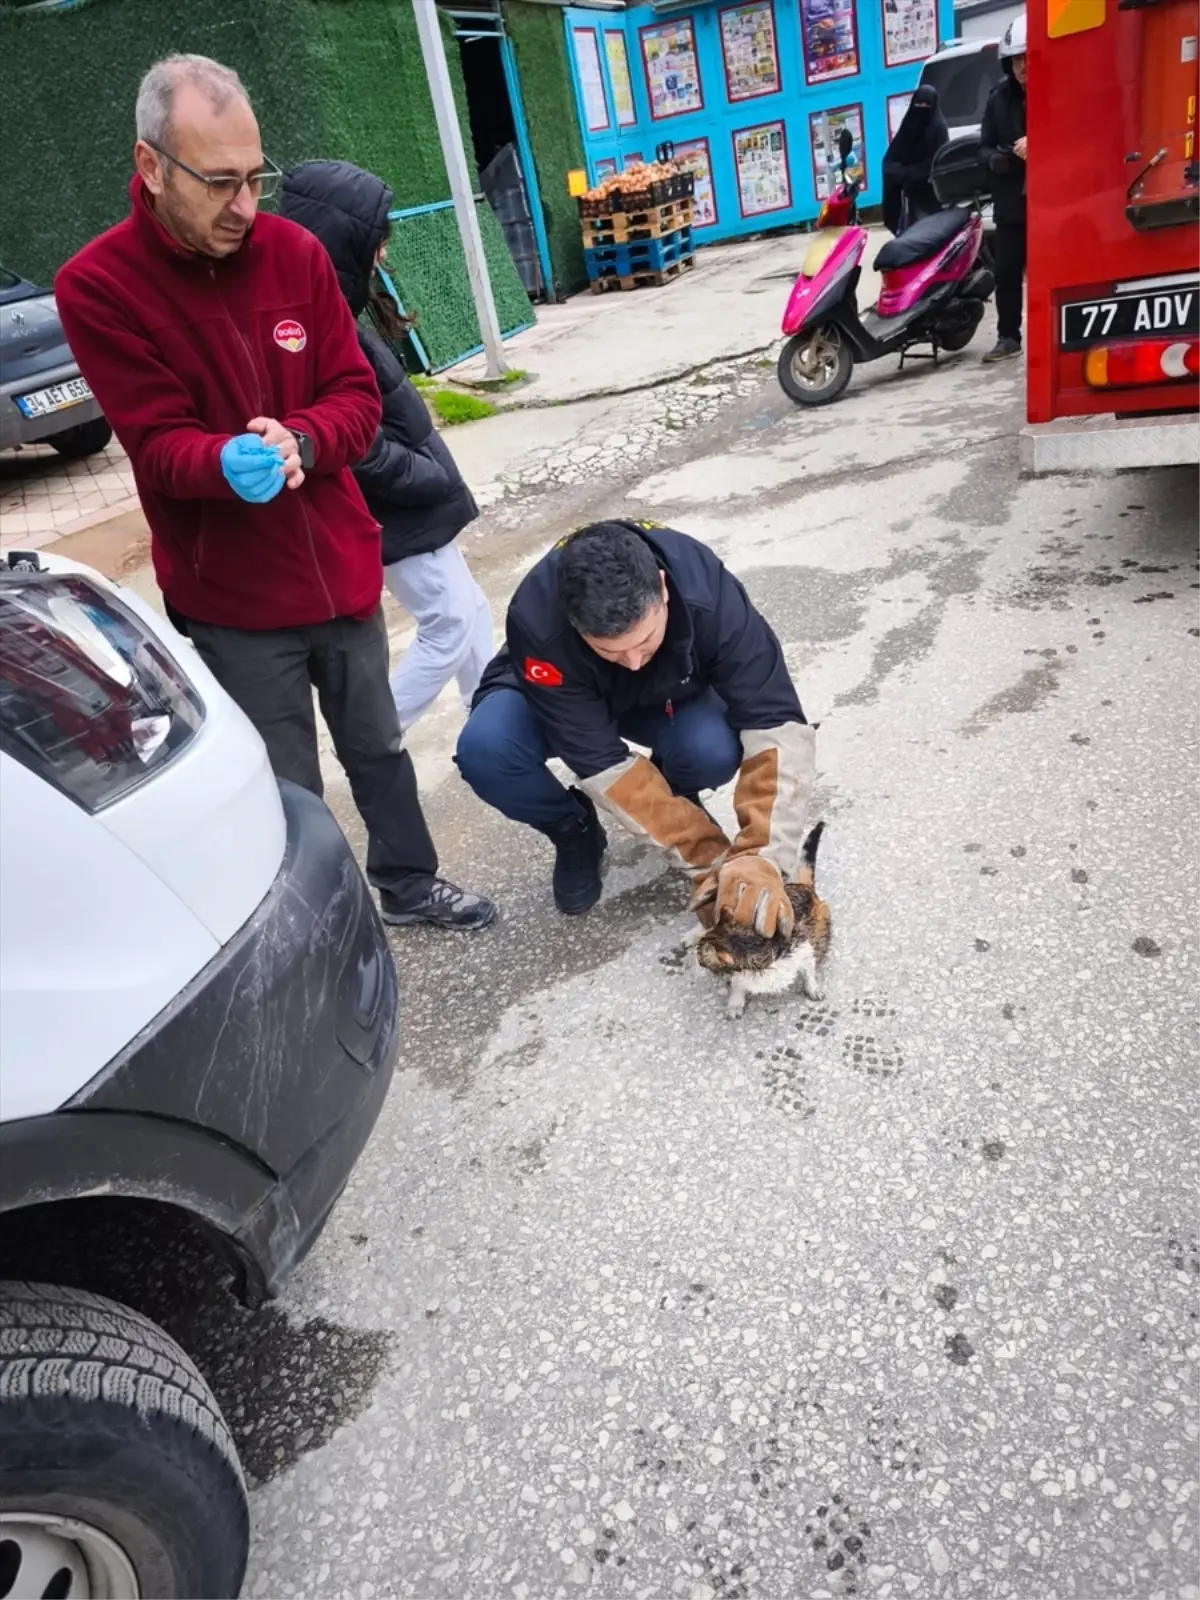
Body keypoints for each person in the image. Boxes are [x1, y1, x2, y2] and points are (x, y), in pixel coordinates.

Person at [54, 53, 495, 931]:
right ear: (151, 166)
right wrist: (225, 463)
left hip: (338, 562)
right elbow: (155, 443)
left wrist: (303, 440)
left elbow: (357, 398)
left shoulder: (294, 255)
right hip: (234, 595)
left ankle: (407, 885)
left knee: (377, 747)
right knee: (283, 779)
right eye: (219, 183)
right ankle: (321, 925)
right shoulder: (98, 286)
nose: (244, 205)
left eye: (256, 178)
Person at [456, 520, 815, 931]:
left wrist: (761, 858)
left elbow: (773, 716)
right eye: (612, 649)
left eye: (644, 641)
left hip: (668, 689)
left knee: (711, 748)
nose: (632, 662)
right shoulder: (536, 619)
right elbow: (597, 758)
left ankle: (675, 792)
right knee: (487, 750)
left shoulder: (706, 589)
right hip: (564, 690)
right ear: (574, 623)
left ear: (663, 590)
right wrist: (708, 860)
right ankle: (574, 830)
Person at [278, 161, 494, 732]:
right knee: (448, 619)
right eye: (374, 243)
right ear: (343, 245)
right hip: (400, 508)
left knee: (470, 609)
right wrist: (426, 476)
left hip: (415, 500)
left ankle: (499, 722)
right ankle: (377, 730)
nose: (381, 254)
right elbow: (357, 445)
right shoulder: (314, 330)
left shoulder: (336, 313)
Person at [980, 11, 1028, 362]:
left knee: (1053, 269)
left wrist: (1039, 141)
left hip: (1054, 201)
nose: (1023, 66)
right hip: (1012, 200)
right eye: (1017, 60)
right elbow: (983, 145)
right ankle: (1008, 336)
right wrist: (993, 159)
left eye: (1029, 58)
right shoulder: (998, 99)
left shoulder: (1058, 89)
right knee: (1007, 272)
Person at [881, 85, 949, 236]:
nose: (922, 108)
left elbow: (932, 166)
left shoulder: (938, 129)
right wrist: (895, 171)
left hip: (932, 197)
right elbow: (891, 158)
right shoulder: (909, 124)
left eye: (926, 105)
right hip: (909, 197)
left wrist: (901, 172)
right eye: (919, 104)